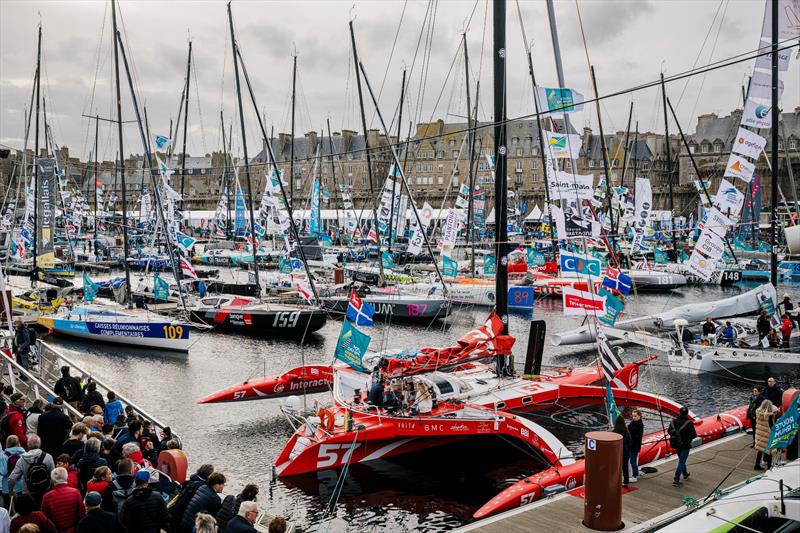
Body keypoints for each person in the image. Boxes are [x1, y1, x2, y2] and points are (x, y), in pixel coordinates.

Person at [8, 435, 55, 506]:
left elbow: (12, 478)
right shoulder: (48, 457)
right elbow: (53, 476)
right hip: (45, 491)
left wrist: (11, 490)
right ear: (40, 444)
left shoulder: (22, 459)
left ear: (28, 445)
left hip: (29, 493)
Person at [40, 467, 85, 533]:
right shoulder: (75, 492)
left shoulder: (47, 496)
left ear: (52, 479)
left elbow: (44, 518)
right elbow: (82, 513)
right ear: (66, 477)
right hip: (74, 529)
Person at [669, 406, 697, 487]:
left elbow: (669, 432)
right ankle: (676, 479)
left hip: (676, 445)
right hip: (685, 445)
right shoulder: (689, 423)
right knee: (681, 461)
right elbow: (693, 435)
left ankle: (685, 474)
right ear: (687, 413)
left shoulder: (673, 421)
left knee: (682, 459)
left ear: (679, 412)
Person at [1, 435, 26, 508]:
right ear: (18, 443)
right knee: (22, 508)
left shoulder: (4, 456)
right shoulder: (24, 455)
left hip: (7, 487)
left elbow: (3, 472)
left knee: (7, 507)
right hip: (21, 486)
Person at [754, 399, 777, 470]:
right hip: (766, 435)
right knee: (769, 451)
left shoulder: (758, 413)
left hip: (759, 434)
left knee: (760, 449)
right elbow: (771, 426)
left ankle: (757, 465)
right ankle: (769, 467)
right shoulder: (768, 416)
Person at [613, 416, 630, 487]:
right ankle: (626, 482)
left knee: (616, 468)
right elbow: (630, 441)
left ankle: (617, 482)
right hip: (626, 452)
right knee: (625, 467)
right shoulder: (626, 431)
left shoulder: (614, 432)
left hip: (617, 452)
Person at [628, 409, 644, 482]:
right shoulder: (633, 422)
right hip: (631, 444)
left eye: (635, 416)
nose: (633, 417)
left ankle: (635, 476)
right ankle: (635, 473)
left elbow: (636, 437)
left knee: (633, 461)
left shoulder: (639, 425)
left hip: (634, 446)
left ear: (639, 416)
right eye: (633, 416)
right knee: (631, 461)